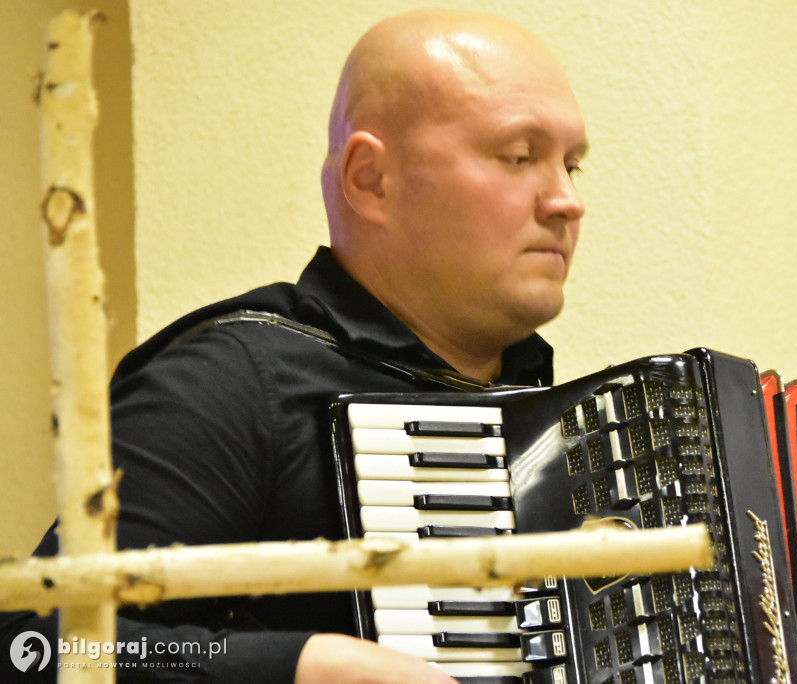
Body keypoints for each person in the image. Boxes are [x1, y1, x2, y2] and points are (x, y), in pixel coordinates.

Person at [0, 8, 587, 683]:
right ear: (371, 180)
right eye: (519, 156)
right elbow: (36, 645)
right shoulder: (233, 383)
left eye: (573, 165)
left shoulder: (544, 410)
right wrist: (304, 665)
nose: (566, 201)